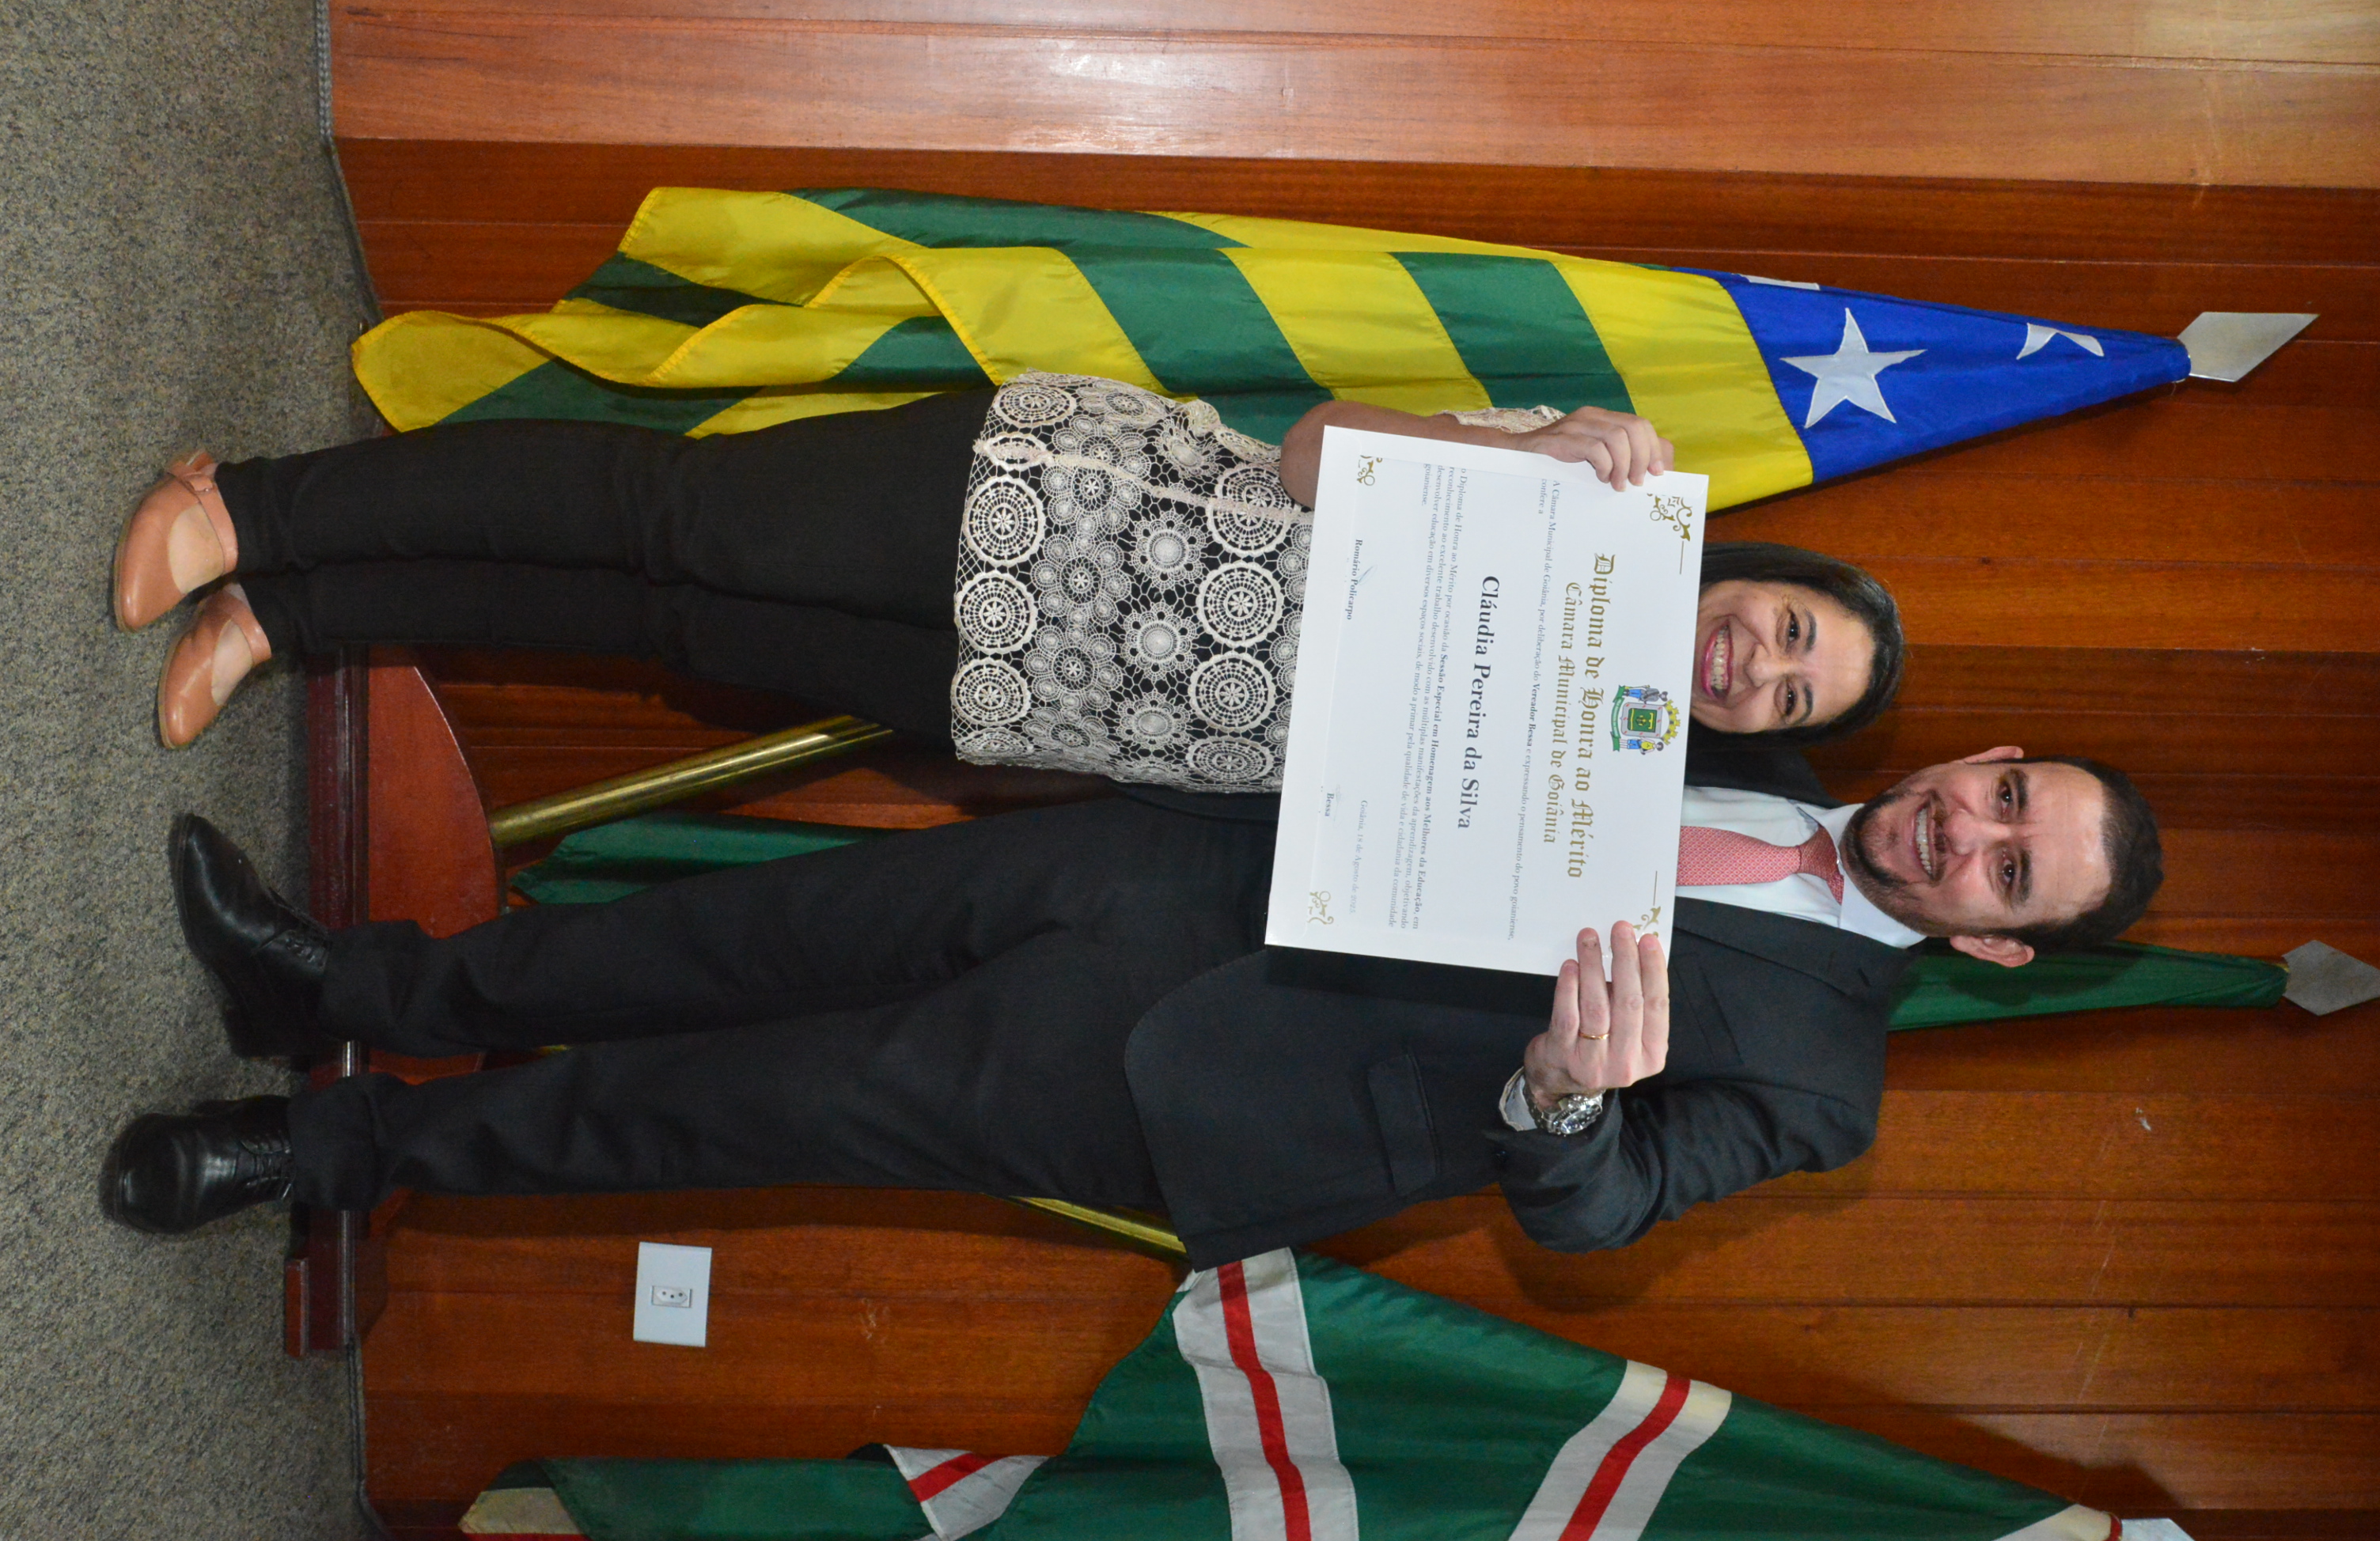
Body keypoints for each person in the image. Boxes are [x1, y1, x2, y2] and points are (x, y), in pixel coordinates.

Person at [102, 736, 2162, 1265]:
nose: (1966, 828)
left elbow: (1602, 1212)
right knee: (742, 936)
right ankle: (341, 981)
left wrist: (1562, 1095)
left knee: (738, 1104)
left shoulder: (1821, 1087)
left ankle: (329, 1149)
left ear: (1997, 944)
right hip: (1173, 865)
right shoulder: (1751, 715)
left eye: (2012, 868)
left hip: (1196, 1079)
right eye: (2007, 790)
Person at [111, 378, 1902, 776]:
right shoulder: (1590, 484)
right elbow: (1308, 456)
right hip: (1036, 504)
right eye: (1788, 627)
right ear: (1760, 576)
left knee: (665, 629)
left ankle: (296, 618)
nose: (1755, 664)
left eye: (1788, 696)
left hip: (1041, 700)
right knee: (674, 517)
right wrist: (1523, 450)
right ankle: (254, 507)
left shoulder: (1577, 803)